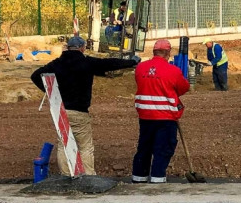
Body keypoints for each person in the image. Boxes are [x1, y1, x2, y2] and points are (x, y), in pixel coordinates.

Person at [30, 35, 139, 176]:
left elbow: (35, 75)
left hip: (61, 111)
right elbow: (108, 63)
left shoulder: (57, 63)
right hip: (80, 112)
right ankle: (88, 177)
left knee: (64, 144)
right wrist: (131, 62)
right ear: (82, 48)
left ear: (68, 48)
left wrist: (51, 92)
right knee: (85, 147)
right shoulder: (86, 62)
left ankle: (66, 175)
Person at [132, 38, 190, 183]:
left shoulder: (140, 68)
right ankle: (157, 178)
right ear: (167, 53)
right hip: (166, 116)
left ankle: (139, 177)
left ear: (154, 52)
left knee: (144, 147)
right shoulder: (173, 70)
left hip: (145, 115)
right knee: (163, 148)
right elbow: (183, 88)